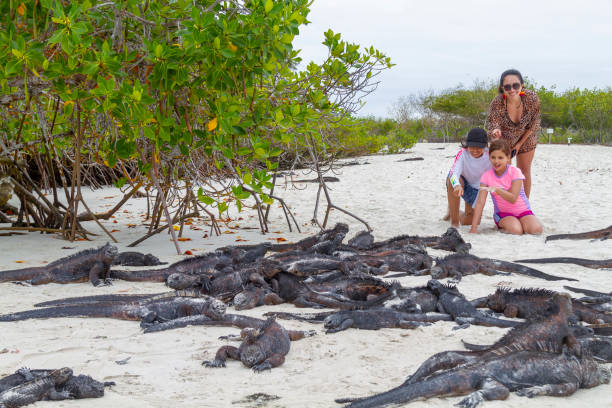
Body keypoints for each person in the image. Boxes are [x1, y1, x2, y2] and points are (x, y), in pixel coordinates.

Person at [470, 139, 542, 235]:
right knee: (516, 230)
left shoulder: (515, 172)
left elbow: (513, 198)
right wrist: (474, 227)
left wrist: (497, 190)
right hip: (503, 214)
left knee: (535, 230)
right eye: (493, 157)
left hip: (523, 211)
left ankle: (522, 223)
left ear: (508, 158)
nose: (496, 161)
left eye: (500, 158)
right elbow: (480, 202)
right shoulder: (486, 176)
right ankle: (507, 225)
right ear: (489, 157)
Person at [487, 69, 540, 198]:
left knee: (524, 171)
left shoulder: (532, 98)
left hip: (527, 136)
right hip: (504, 138)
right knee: (507, 172)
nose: (512, 90)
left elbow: (534, 123)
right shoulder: (497, 102)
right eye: (507, 86)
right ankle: (508, 203)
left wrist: (519, 145)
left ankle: (524, 205)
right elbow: (493, 123)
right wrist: (495, 131)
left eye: (515, 85)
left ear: (522, 85)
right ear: (502, 88)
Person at [445, 128, 491, 227]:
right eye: (471, 146)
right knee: (452, 181)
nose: (475, 150)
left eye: (478, 147)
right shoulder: (462, 153)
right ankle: (454, 222)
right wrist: (457, 185)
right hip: (462, 182)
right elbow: (453, 173)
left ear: (485, 145)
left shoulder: (490, 154)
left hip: (476, 188)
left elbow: (506, 161)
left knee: (471, 221)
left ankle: (454, 210)